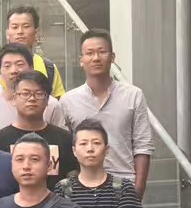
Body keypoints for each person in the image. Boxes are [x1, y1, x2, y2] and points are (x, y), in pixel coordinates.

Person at [58, 29, 153, 197]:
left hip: (124, 185)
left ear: (112, 57)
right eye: (89, 53)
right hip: (83, 188)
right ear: (81, 60)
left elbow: (143, 145)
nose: (96, 58)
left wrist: (138, 190)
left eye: (102, 52)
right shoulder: (68, 101)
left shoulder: (133, 95)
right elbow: (65, 148)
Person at [0, 71, 79, 188]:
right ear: (14, 99)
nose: (32, 98)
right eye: (25, 93)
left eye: (39, 93)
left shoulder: (65, 139)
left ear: (47, 100)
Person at [0, 5, 66, 98]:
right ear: (7, 33)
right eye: (15, 27)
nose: (20, 32)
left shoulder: (49, 68)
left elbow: (57, 102)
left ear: (36, 32)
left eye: (26, 26)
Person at [0, 43, 62, 132]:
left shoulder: (50, 104)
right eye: (7, 66)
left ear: (31, 67)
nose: (13, 71)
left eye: (19, 64)